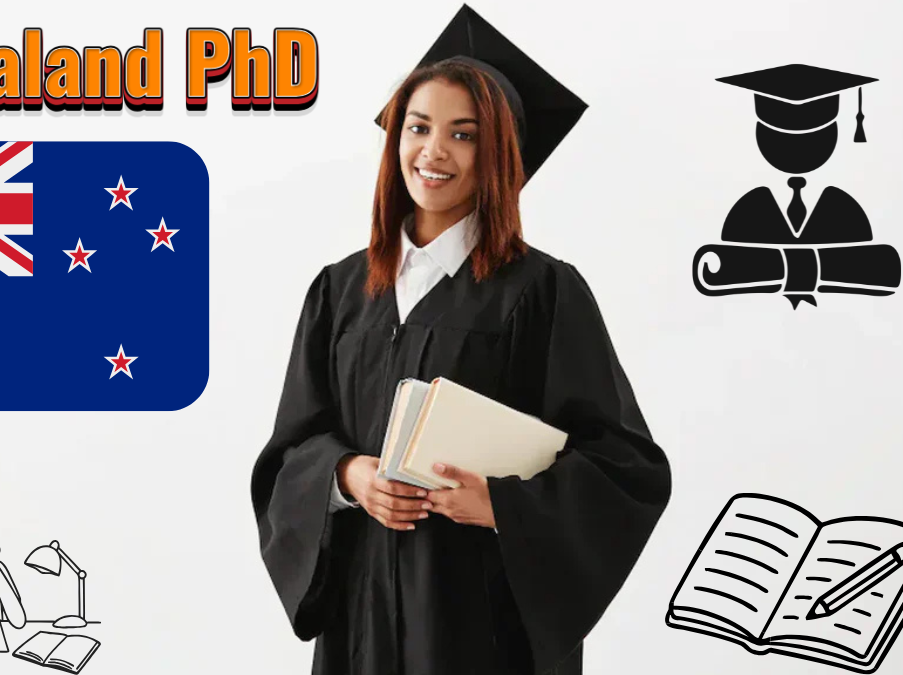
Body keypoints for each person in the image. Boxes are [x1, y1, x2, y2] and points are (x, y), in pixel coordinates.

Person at [251, 7, 671, 675]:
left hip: (484, 625)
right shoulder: (340, 291)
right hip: (361, 627)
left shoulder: (542, 292)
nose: (433, 151)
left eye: (463, 134)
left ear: (499, 153)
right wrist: (347, 476)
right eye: (417, 127)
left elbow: (625, 465)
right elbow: (290, 450)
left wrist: (504, 505)